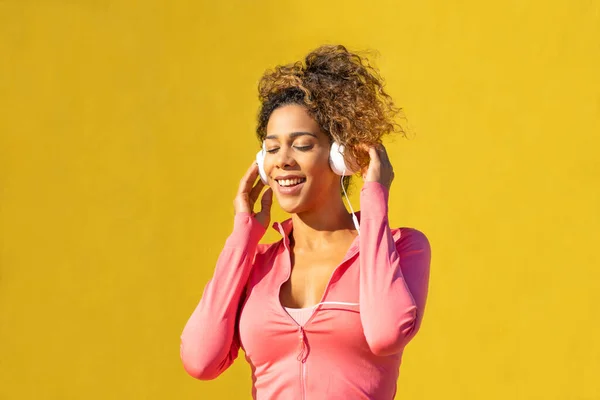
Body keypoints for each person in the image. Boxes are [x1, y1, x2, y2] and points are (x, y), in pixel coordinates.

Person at [180, 44, 432, 400]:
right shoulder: (257, 264)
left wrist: (375, 199)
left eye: (301, 145)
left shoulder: (401, 246)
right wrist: (243, 236)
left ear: (339, 156)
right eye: (271, 148)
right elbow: (200, 359)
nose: (282, 160)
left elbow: (386, 333)